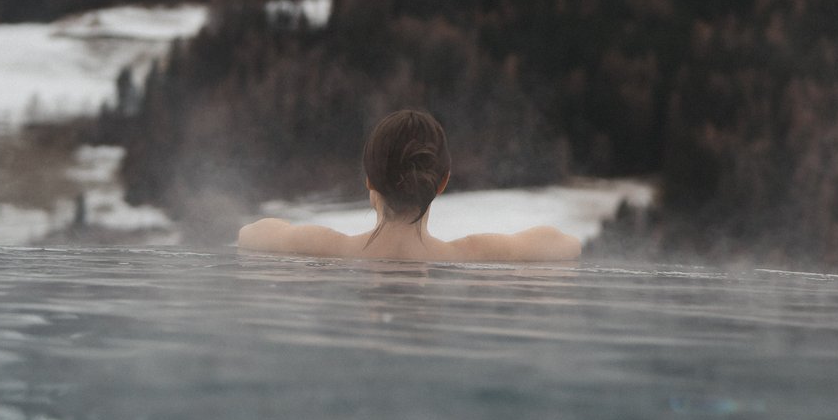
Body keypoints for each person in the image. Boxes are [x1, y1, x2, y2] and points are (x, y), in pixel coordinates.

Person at [236, 109, 582, 262]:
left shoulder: (330, 249)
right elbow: (566, 246)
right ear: (442, 182)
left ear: (368, 179)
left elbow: (250, 235)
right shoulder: (471, 255)